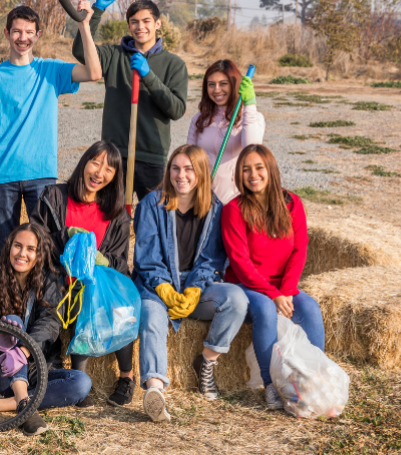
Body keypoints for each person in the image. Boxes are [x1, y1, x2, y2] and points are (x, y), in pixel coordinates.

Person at [0, 2, 103, 253]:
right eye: (17, 31)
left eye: (29, 32)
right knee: (7, 249)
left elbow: (94, 73)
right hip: (2, 175)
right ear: (7, 33)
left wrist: (84, 26)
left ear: (38, 35)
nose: (23, 38)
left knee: (44, 249)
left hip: (42, 174)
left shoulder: (51, 70)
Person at [133, 144, 246, 421]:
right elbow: (147, 257)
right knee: (151, 316)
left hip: (197, 286)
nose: (181, 175)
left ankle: (206, 361)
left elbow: (212, 259)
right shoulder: (151, 204)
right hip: (156, 285)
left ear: (201, 173)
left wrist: (195, 288)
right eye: (175, 168)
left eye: (188, 169)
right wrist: (163, 288)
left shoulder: (215, 209)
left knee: (236, 300)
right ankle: (155, 389)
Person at [0, 223, 91, 436]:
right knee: (13, 324)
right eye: (17, 246)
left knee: (82, 383)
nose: (22, 253)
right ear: (8, 247)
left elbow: (50, 324)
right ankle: (24, 404)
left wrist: (23, 352)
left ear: (40, 254)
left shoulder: (50, 282)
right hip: (0, 370)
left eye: (31, 249)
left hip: (36, 369)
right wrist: (0, 345)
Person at [29, 140, 134, 406]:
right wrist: (66, 236)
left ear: (115, 177)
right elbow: (35, 240)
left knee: (118, 306)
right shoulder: (54, 196)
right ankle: (70, 378)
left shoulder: (118, 215)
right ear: (84, 163)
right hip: (56, 278)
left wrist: (100, 259)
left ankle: (126, 377)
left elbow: (120, 263)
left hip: (95, 285)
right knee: (57, 300)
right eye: (95, 163)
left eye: (108, 169)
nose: (99, 173)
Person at [221, 144, 324, 410]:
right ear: (239, 175)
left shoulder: (293, 203)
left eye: (259, 168)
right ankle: (271, 385)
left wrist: (286, 290)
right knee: (266, 310)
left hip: (282, 287)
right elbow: (240, 262)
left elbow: (300, 249)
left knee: (310, 308)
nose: (253, 175)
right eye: (246, 170)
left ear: (271, 169)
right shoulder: (234, 209)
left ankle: (314, 379)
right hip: (246, 285)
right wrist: (273, 294)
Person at [72, 0, 189, 201]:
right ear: (128, 26)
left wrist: (148, 76)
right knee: (111, 215)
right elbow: (82, 51)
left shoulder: (174, 64)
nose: (140, 26)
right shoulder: (113, 55)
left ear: (158, 23)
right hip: (114, 156)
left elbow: (177, 110)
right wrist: (97, 12)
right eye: (134, 22)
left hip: (152, 157)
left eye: (146, 21)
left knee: (153, 216)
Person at [187, 59, 265, 204]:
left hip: (235, 202)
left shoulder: (252, 117)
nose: (216, 90)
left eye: (223, 83)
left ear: (235, 86)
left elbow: (251, 149)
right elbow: (189, 158)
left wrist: (249, 104)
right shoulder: (199, 119)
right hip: (203, 199)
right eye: (211, 84)